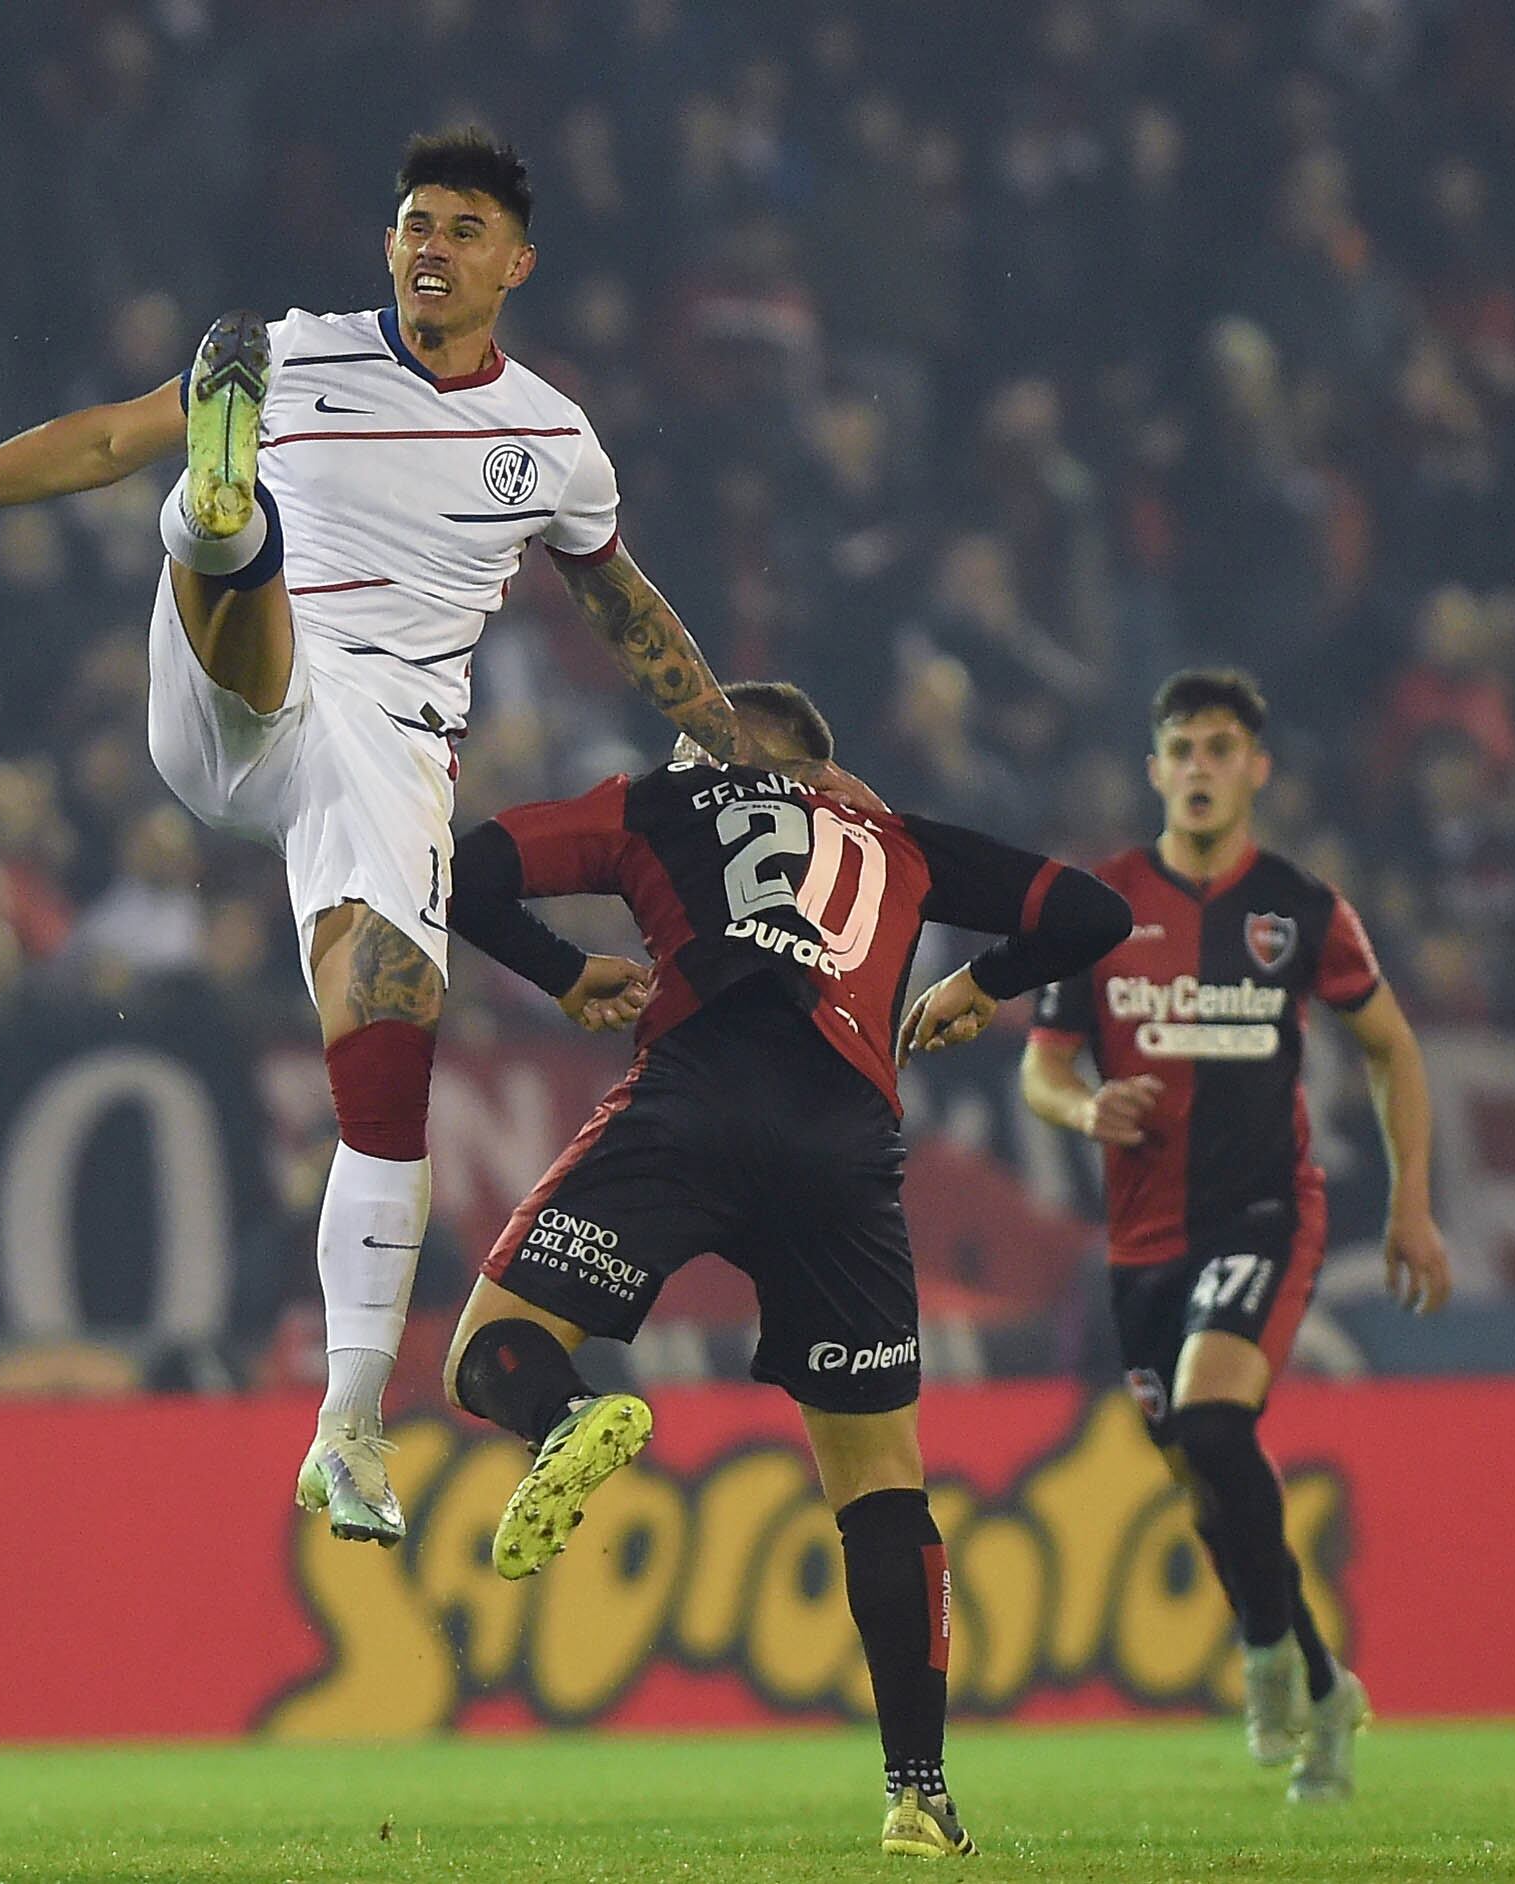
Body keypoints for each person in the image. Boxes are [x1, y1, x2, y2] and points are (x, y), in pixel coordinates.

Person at [0, 132, 863, 1547]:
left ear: (515, 263)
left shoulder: (550, 439)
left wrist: (732, 740)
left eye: (463, 227)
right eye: (414, 221)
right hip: (240, 689)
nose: (431, 243)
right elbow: (109, 439)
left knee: (392, 1042)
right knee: (198, 494)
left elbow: (627, 613)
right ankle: (228, 519)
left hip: (382, 743)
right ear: (388, 245)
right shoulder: (299, 352)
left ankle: (348, 1431)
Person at [436, 681, 1129, 1859]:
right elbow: (1092, 911)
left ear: (717, 745)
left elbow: (463, 868)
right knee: (878, 1485)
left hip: (693, 1096)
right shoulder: (894, 835)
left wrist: (559, 972)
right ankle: (918, 1791)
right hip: (844, 1142)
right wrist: (980, 983)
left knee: (485, 1352)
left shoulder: (659, 800)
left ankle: (570, 1413)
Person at [1017, 668, 1453, 1804]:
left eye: (1223, 748)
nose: (1202, 768)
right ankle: (1320, 1682)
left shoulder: (1302, 907)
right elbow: (1042, 1069)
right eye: (1183, 749)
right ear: (1153, 768)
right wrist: (1082, 1109)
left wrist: (1409, 1205)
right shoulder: (1099, 905)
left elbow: (1391, 1048)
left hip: (1264, 1209)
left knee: (1215, 1421)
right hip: (1139, 1239)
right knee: (1207, 1481)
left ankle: (1262, 1656)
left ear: (1256, 768)